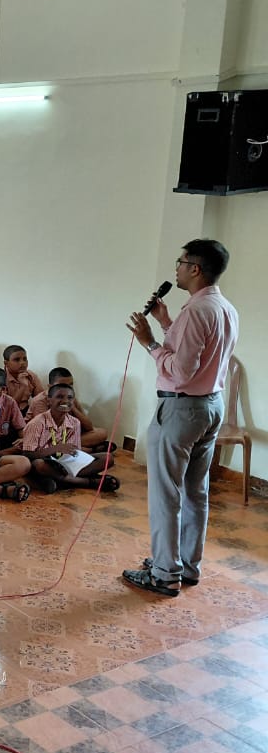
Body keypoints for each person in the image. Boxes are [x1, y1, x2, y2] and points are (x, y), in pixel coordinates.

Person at [123, 239, 238, 597]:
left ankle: (164, 573)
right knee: (195, 490)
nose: (177, 267)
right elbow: (196, 351)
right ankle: (187, 565)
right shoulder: (223, 307)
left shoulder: (196, 311)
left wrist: (149, 342)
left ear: (196, 269)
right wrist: (165, 321)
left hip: (182, 408)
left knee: (165, 493)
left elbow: (182, 370)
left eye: (181, 261)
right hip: (210, 406)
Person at [19, 383, 117, 494]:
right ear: (49, 400)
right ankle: (87, 482)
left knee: (108, 458)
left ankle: (60, 481)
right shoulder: (37, 423)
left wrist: (76, 456)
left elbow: (75, 451)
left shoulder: (74, 422)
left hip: (64, 462)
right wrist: (55, 449)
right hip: (44, 462)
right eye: (60, 397)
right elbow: (27, 454)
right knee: (40, 465)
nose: (65, 401)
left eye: (70, 398)